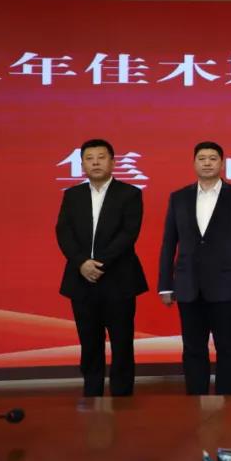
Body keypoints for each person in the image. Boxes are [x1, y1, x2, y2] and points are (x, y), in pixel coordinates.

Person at [158, 141, 231, 395]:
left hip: (227, 286)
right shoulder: (179, 198)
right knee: (192, 348)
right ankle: (195, 398)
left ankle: (229, 399)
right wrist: (165, 285)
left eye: (213, 158)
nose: (207, 163)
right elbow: (169, 243)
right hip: (188, 285)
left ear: (222, 163)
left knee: (227, 347)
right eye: (202, 158)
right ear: (194, 163)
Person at [55, 138, 147, 397]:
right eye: (89, 158)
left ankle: (122, 394)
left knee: (122, 342)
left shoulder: (130, 193)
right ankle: (92, 391)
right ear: (82, 164)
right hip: (81, 280)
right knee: (89, 341)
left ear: (113, 162)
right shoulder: (72, 195)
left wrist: (99, 264)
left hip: (119, 279)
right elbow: (64, 232)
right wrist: (82, 263)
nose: (95, 163)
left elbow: (128, 234)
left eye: (101, 157)